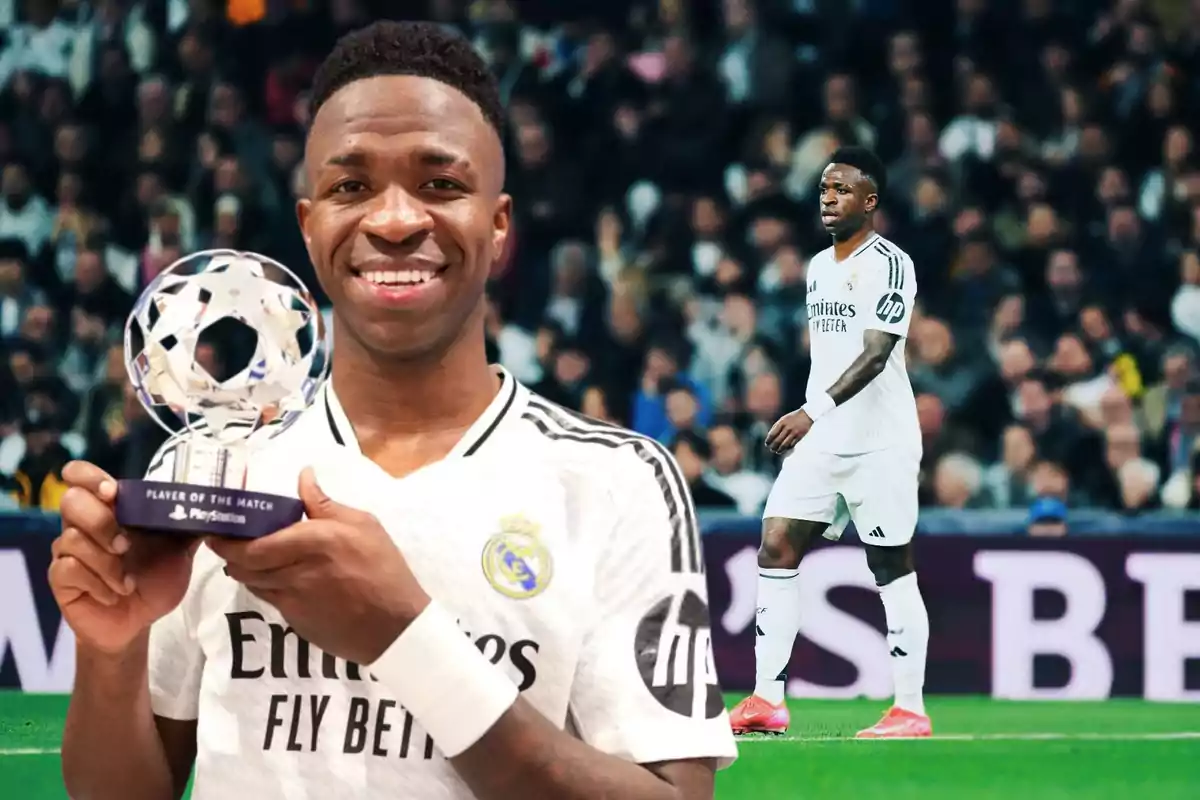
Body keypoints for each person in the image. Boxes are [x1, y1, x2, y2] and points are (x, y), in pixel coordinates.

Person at [50, 22, 736, 800]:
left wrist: (405, 640)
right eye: (351, 187)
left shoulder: (616, 480)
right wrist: (109, 654)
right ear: (310, 230)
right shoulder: (209, 466)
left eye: (441, 184)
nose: (395, 219)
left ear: (499, 225)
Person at [728, 147, 932, 739]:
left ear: (870, 201)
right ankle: (767, 700)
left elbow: (876, 353)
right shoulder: (818, 267)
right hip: (823, 441)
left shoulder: (891, 264)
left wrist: (810, 410)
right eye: (823, 187)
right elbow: (833, 356)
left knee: (890, 564)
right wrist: (815, 416)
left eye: (842, 188)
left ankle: (910, 709)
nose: (828, 196)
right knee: (775, 546)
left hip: (880, 442)